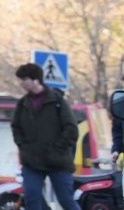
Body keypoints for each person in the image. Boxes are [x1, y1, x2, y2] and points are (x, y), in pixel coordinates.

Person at [11, 61, 80, 210]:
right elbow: (16, 127)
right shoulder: (22, 104)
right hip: (32, 162)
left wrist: (57, 148)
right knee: (32, 197)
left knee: (66, 200)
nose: (21, 83)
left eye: (24, 79)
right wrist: (23, 146)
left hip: (58, 161)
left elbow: (71, 129)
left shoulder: (57, 101)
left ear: (35, 79)